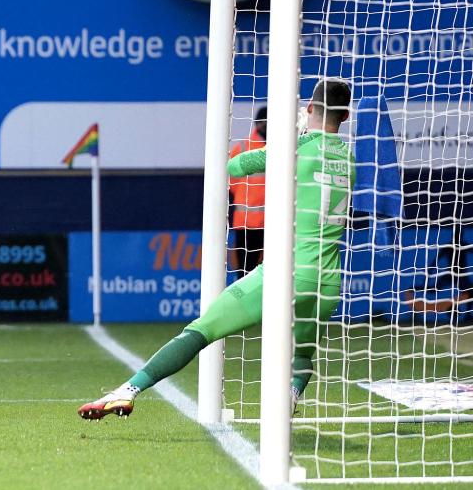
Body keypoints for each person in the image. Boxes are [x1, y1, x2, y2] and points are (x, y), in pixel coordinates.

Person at [78, 79, 354, 419]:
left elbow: (234, 167)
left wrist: (286, 138)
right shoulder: (349, 157)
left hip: (288, 273)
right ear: (345, 116)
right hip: (328, 282)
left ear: (309, 108)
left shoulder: (293, 148)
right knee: (302, 354)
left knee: (202, 329)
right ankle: (291, 395)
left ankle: (127, 391)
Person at [228, 107, 267, 278]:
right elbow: (232, 183)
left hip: (273, 223)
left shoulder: (284, 148)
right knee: (245, 273)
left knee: (273, 274)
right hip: (247, 224)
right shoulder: (243, 148)